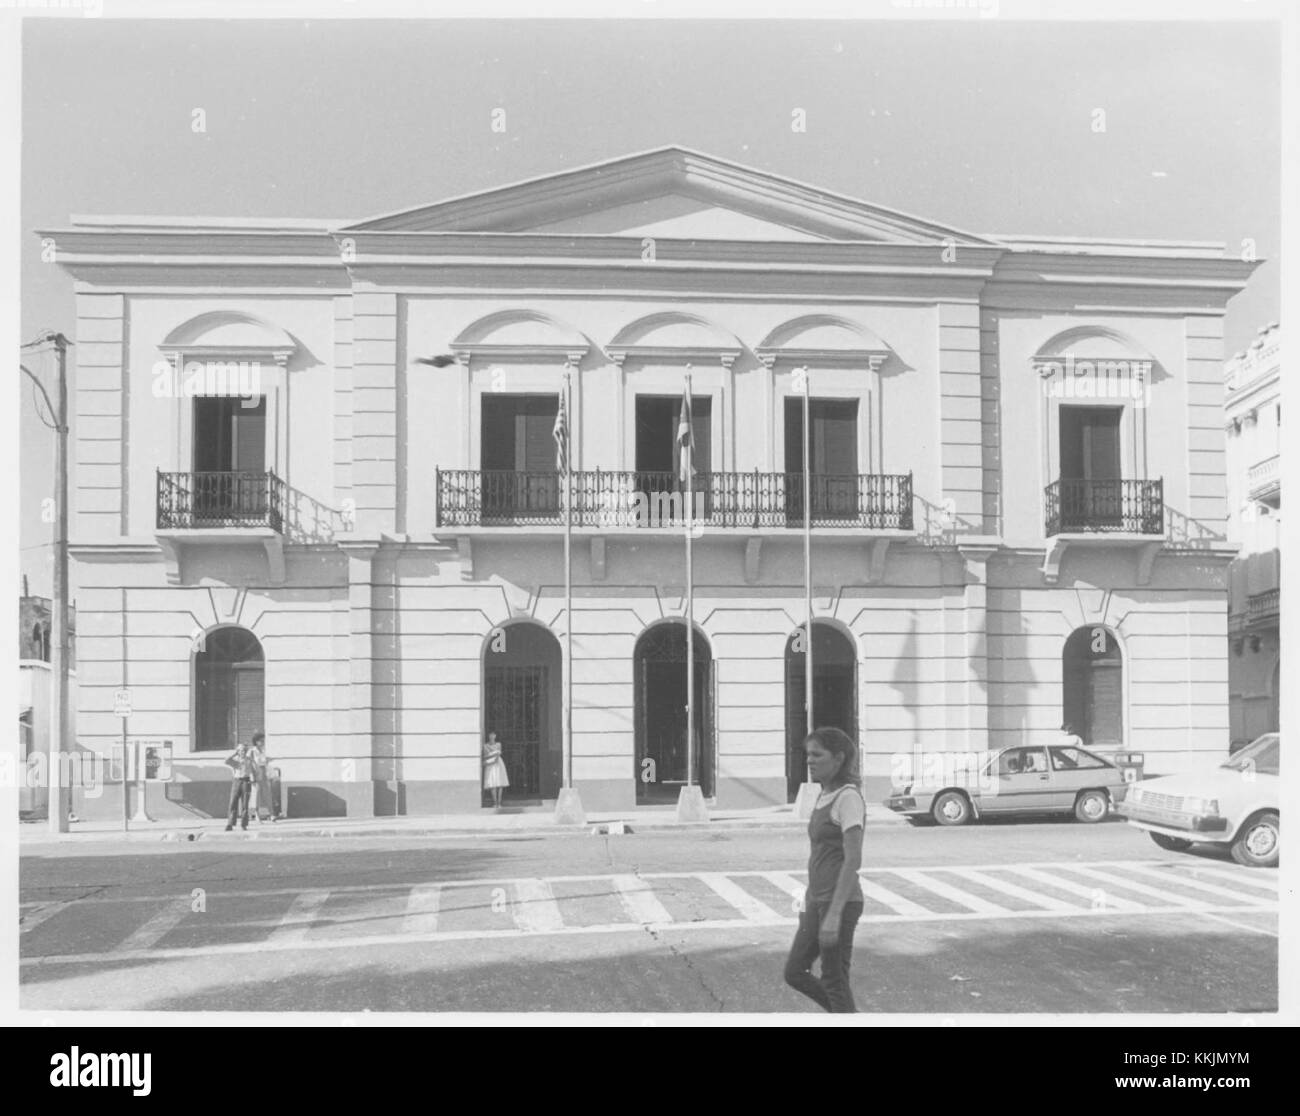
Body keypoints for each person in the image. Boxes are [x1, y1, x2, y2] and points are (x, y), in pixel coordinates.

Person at [784, 726, 866, 1013]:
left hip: (839, 903)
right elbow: (820, 855)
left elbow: (852, 859)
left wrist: (834, 914)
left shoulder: (848, 798)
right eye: (808, 754)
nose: (810, 761)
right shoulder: (824, 795)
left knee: (833, 979)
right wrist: (809, 902)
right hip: (817, 900)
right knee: (794, 971)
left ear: (839, 758)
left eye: (817, 754)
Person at [224, 738, 256, 831]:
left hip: (246, 781)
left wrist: (254, 779)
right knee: (233, 802)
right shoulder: (235, 760)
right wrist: (234, 754)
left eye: (244, 750)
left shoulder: (249, 759)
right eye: (241, 750)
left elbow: (253, 769)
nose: (243, 752)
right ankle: (230, 823)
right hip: (237, 781)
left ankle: (244, 824)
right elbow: (226, 761)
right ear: (238, 751)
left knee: (245, 803)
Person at [249, 732, 279, 822]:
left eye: (263, 740)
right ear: (256, 741)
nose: (262, 742)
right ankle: (257, 814)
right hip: (256, 773)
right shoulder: (252, 751)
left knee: (267, 795)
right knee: (257, 796)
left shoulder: (262, 750)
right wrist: (252, 776)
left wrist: (268, 760)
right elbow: (251, 763)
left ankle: (272, 814)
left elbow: (264, 761)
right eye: (261, 741)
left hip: (263, 773)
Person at [483, 731, 509, 809]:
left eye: (493, 735)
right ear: (488, 736)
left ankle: (499, 802)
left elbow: (499, 753)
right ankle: (495, 802)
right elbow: (486, 755)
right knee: (492, 783)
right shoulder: (485, 745)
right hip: (491, 763)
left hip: (498, 763)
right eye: (490, 735)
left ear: (495, 736)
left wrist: (494, 754)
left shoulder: (498, 744)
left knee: (500, 782)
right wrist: (494, 754)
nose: (492, 736)